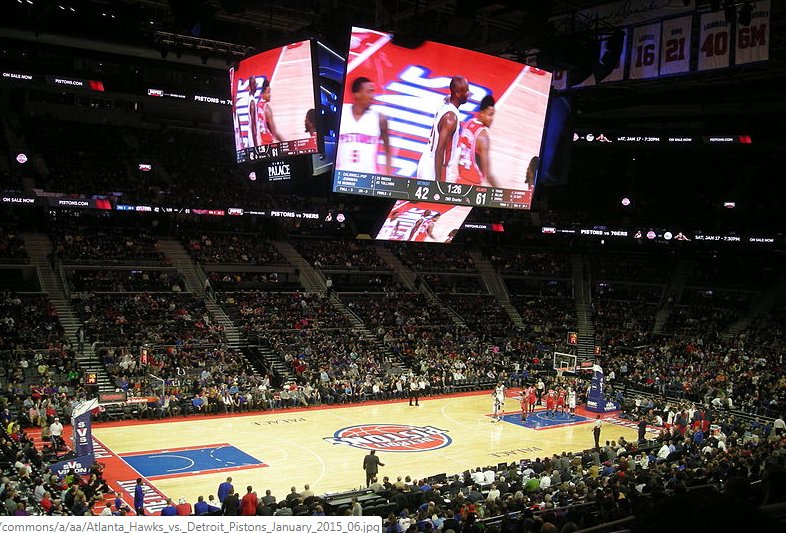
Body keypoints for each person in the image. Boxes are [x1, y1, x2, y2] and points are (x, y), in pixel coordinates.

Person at [417, 75, 470, 182]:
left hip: (426, 159)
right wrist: (438, 181)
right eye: (466, 90)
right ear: (457, 94)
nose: (469, 93)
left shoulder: (445, 101)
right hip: (436, 167)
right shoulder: (451, 118)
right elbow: (440, 149)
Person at [336, 76, 391, 174]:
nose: (372, 96)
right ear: (357, 94)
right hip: (342, 177)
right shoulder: (341, 114)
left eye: (373, 91)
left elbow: (388, 151)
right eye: (369, 92)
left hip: (368, 179)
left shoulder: (380, 118)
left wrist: (389, 177)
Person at [457, 94, 497, 186]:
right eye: (490, 115)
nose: (492, 119)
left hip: (459, 181)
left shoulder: (468, 124)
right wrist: (504, 193)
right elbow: (489, 175)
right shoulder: (483, 136)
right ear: (482, 113)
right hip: (473, 187)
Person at [248, 76, 283, 147]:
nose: (270, 95)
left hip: (260, 141)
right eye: (268, 92)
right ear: (262, 94)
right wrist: (287, 143)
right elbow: (275, 133)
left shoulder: (258, 105)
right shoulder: (267, 108)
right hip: (267, 143)